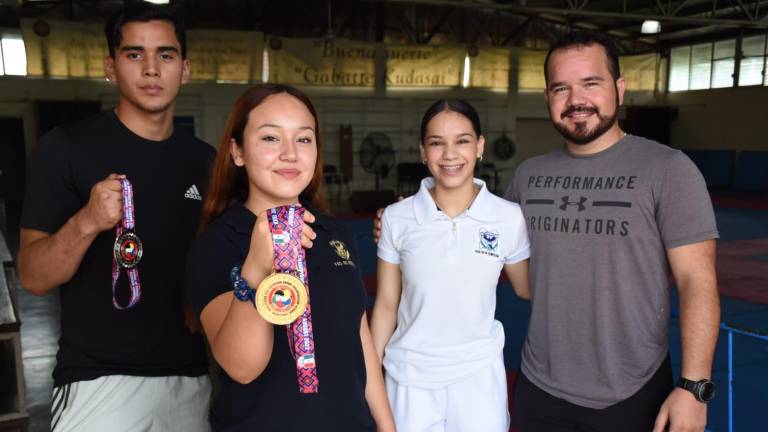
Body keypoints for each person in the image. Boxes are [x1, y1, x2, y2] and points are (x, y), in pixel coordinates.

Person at [506, 32, 720, 432]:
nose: (576, 100)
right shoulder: (527, 176)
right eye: (561, 88)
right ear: (548, 98)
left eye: (591, 83)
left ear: (619, 89)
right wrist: (406, 216)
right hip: (538, 389)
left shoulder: (668, 169)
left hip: (631, 392)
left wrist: (694, 387)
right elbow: (475, 230)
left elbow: (697, 279)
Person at [17, 3, 212, 431]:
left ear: (185, 69)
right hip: (99, 379)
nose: (150, 69)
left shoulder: (206, 163)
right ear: (110, 66)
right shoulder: (66, 148)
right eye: (133, 54)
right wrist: (86, 221)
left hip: (192, 379)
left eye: (165, 55)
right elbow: (32, 275)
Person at [184, 84, 396, 431]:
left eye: (304, 139)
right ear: (237, 152)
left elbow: (359, 343)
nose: (290, 154)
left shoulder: (335, 235)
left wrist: (387, 427)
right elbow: (242, 367)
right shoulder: (219, 243)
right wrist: (255, 267)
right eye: (270, 138)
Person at [371, 99, 530, 432]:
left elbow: (526, 287)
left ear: (480, 146)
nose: (450, 154)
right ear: (422, 151)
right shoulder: (397, 218)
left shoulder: (507, 217)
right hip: (409, 376)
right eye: (436, 143)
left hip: (478, 377)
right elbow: (386, 304)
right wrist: (370, 376)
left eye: (462, 140)